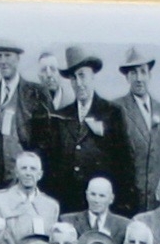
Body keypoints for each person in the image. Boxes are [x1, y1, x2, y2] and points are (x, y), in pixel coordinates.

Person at [47, 48, 130, 213]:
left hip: (101, 204)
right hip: (68, 204)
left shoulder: (112, 113)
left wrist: (120, 205)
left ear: (93, 76)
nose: (79, 83)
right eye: (73, 78)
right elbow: (53, 164)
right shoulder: (60, 116)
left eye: (82, 75)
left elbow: (124, 162)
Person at [0, 39, 49, 186]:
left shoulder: (36, 93)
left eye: (7, 55)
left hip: (25, 178)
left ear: (18, 58)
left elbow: (46, 141)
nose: (3, 61)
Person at [113, 48, 160, 204]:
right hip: (129, 199)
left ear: (150, 75)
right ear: (127, 77)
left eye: (143, 72)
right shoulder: (116, 109)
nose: (139, 78)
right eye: (133, 73)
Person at [0, 149, 63, 244]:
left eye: (33, 169)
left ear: (40, 175)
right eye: (24, 168)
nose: (28, 173)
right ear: (16, 173)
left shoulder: (51, 206)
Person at [62, 176, 130, 244]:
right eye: (93, 194)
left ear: (111, 199)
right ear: (87, 195)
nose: (96, 200)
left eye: (102, 196)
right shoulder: (68, 221)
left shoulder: (124, 225)